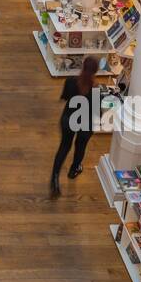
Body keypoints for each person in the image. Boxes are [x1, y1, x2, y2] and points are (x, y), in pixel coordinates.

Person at [50, 55, 99, 198]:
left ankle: (54, 177)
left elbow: (64, 97)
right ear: (96, 71)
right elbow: (96, 112)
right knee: (80, 147)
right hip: (85, 124)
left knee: (64, 147)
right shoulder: (95, 89)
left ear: (83, 66)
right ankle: (73, 170)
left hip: (68, 120)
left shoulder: (71, 81)